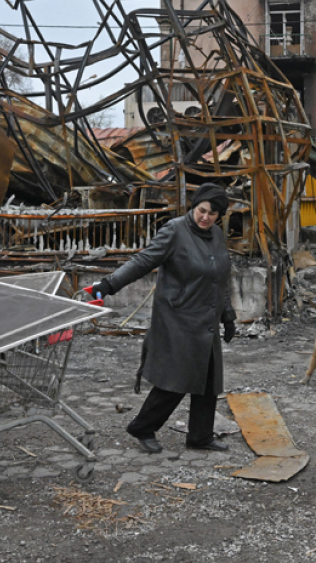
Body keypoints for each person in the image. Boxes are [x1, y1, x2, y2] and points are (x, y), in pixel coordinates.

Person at [90, 183, 236, 453]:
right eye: (202, 211)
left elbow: (220, 277)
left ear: (219, 216)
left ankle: (200, 437)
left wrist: (228, 316)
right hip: (178, 318)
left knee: (209, 380)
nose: (206, 217)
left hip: (206, 320)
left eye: (213, 214)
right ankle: (142, 427)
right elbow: (143, 261)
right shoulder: (174, 230)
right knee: (177, 379)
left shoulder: (216, 235)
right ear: (193, 207)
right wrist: (109, 284)